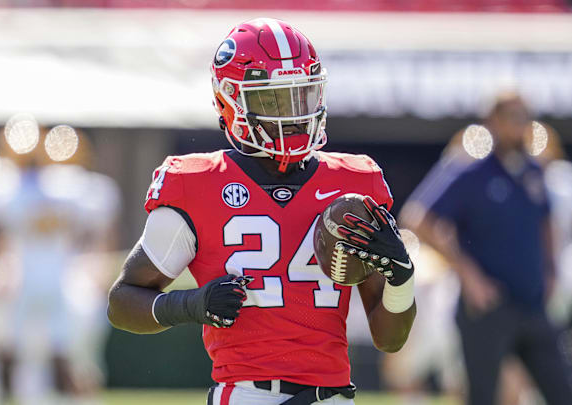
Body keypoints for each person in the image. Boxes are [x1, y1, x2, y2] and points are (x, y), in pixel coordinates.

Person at [107, 18, 416, 405]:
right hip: (246, 396)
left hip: (334, 397)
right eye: (274, 99)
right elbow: (122, 304)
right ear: (230, 101)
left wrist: (402, 278)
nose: (294, 113)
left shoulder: (355, 183)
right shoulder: (196, 183)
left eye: (301, 95)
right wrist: (190, 305)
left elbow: (390, 339)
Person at [406, 92, 572, 405]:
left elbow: (546, 222)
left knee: (564, 393)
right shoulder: (470, 171)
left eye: (524, 117)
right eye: (513, 117)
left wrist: (551, 269)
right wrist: (469, 275)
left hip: (532, 303)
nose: (520, 125)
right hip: (487, 307)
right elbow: (418, 217)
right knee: (483, 397)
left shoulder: (533, 172)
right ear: (493, 121)